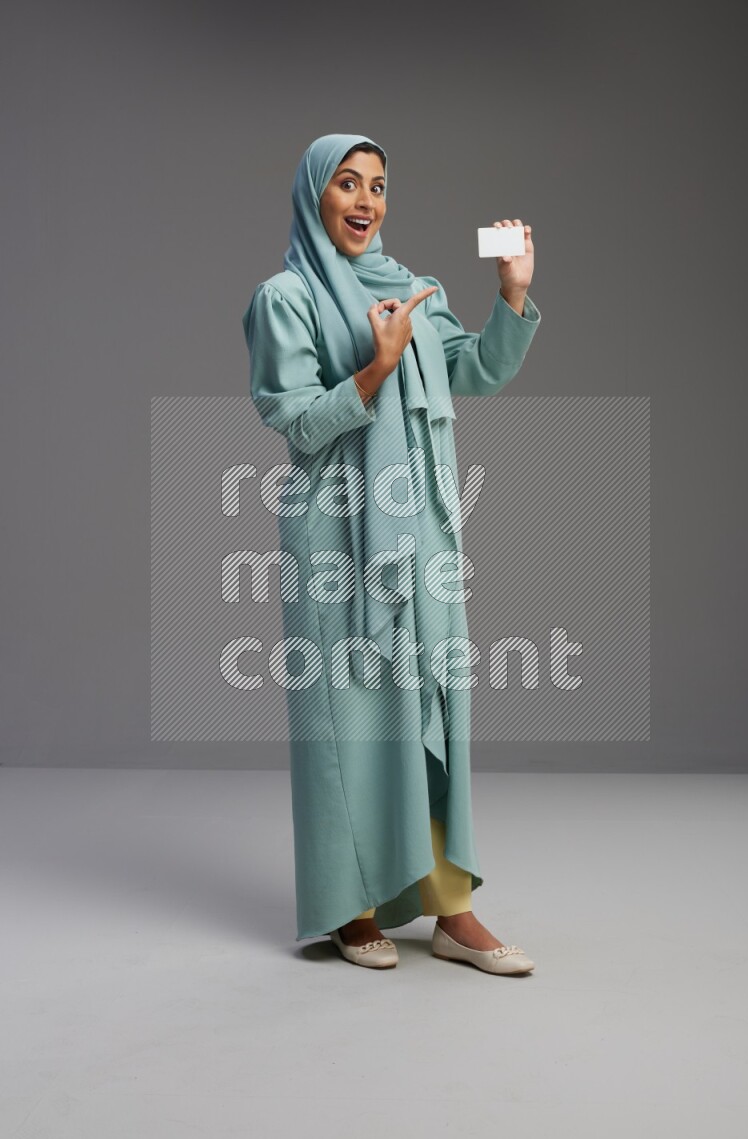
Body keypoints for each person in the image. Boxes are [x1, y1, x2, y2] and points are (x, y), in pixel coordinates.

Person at [242, 133, 542, 975]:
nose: (366, 200)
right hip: (337, 538)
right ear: (315, 195)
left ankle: (452, 909)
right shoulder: (284, 298)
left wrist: (512, 295)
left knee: (433, 706)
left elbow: (473, 371)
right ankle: (353, 907)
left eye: (377, 185)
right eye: (347, 183)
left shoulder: (413, 288)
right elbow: (294, 420)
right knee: (352, 723)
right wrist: (374, 370)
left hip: (423, 532)